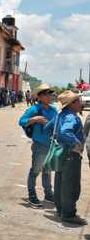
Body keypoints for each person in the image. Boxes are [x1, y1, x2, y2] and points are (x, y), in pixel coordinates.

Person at [18, 84, 57, 208]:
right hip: (39, 145)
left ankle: (48, 194)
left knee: (47, 171)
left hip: (51, 145)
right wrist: (34, 119)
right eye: (48, 94)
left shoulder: (53, 109)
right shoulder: (34, 109)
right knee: (35, 171)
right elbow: (21, 121)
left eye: (51, 93)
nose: (51, 96)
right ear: (40, 96)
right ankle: (32, 195)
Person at [53, 91, 87, 226]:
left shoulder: (60, 115)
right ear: (72, 104)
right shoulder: (71, 117)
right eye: (78, 101)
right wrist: (77, 143)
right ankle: (68, 214)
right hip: (70, 154)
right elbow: (65, 132)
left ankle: (61, 210)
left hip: (61, 153)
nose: (81, 103)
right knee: (70, 185)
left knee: (60, 182)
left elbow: (52, 128)